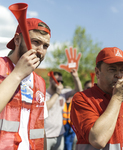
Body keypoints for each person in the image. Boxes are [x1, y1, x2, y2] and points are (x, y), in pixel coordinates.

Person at [70, 47, 123, 149]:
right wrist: (117, 98)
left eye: (122, 70)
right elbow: (98, 140)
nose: (119, 75)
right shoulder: (82, 98)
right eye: (112, 70)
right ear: (97, 72)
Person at [0, 18, 51, 150]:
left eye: (45, 46)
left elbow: (40, 128)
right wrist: (17, 74)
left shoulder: (40, 82)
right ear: (17, 40)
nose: (40, 51)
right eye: (36, 42)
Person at [45, 70, 82, 150]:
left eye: (61, 81)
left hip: (60, 135)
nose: (60, 83)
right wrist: (57, 94)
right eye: (57, 81)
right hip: (46, 136)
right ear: (50, 80)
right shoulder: (44, 93)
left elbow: (79, 91)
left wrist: (76, 77)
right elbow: (46, 107)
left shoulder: (63, 93)